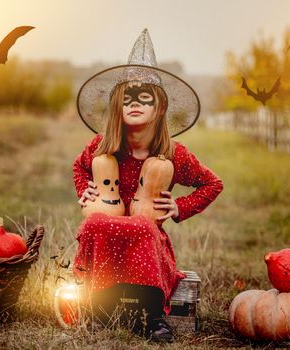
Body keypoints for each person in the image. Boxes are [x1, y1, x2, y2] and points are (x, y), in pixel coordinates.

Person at [73, 29, 223, 342]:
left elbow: (212, 183)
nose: (135, 103)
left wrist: (179, 207)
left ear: (160, 108)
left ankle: (153, 315)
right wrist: (85, 191)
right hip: (109, 234)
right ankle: (100, 307)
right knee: (95, 221)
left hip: (147, 242)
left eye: (145, 98)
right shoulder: (102, 147)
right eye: (127, 98)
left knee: (142, 224)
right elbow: (79, 167)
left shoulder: (172, 155)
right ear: (117, 106)